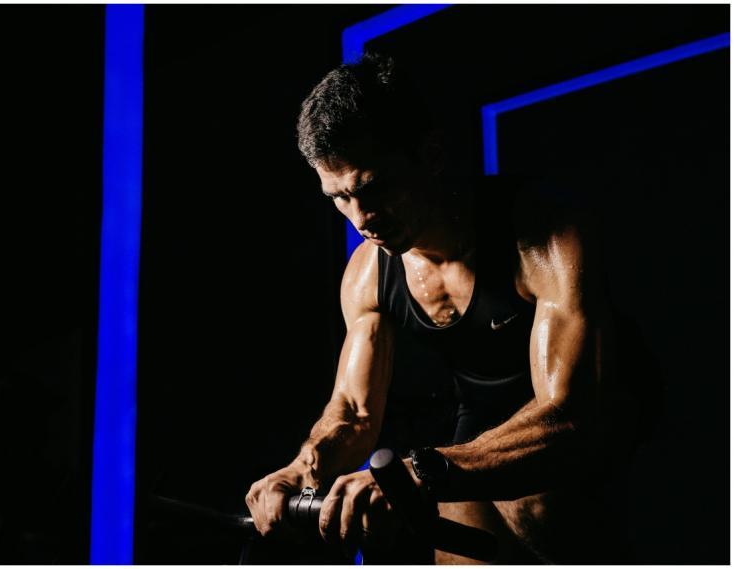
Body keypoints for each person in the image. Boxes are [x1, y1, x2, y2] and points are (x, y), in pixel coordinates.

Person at [246, 53, 652, 564]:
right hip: (480, 418)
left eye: (373, 189)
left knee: (536, 508)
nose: (362, 219)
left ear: (431, 154)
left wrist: (425, 470)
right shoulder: (368, 272)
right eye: (339, 198)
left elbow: (569, 414)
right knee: (450, 533)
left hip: (588, 410)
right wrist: (300, 471)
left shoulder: (542, 234)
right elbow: (352, 412)